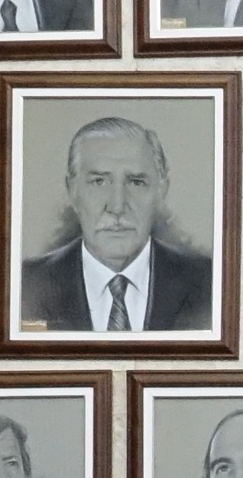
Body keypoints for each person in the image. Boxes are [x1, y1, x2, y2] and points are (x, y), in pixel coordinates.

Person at [19, 116, 215, 335]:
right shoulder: (25, 284)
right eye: (99, 181)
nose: (117, 206)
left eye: (136, 182)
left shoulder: (210, 282)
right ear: (72, 191)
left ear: (161, 191)